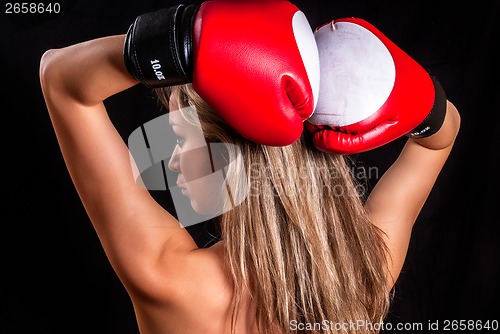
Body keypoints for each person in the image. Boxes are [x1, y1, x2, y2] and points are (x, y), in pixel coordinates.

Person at [39, 2, 460, 333]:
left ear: (233, 155)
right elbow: (438, 139)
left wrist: (183, 38)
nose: (167, 158)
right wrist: (423, 104)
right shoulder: (368, 269)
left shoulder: (171, 279)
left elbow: (59, 79)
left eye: (181, 138)